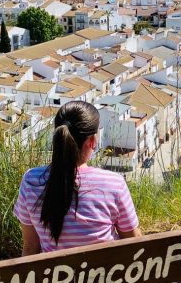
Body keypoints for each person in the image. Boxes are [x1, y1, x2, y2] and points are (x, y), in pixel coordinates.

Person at [15, 100, 141, 254]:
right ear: (92, 141)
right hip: (104, 275)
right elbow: (133, 243)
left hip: (55, 277)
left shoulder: (31, 181)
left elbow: (30, 247)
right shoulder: (114, 184)